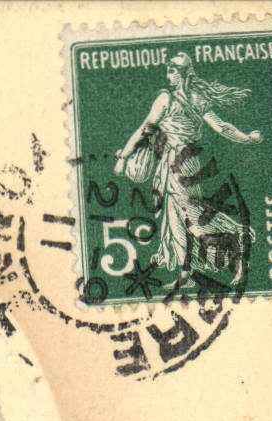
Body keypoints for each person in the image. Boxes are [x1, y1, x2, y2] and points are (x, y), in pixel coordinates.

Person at [113, 53, 263, 283]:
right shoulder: (196, 98)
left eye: (172, 71)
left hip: (177, 163)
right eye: (168, 71)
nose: (168, 76)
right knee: (178, 219)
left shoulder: (166, 99)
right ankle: (186, 273)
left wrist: (124, 156)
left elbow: (145, 129)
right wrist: (248, 138)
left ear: (183, 73)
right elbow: (222, 127)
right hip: (188, 162)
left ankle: (237, 244)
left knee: (189, 217)